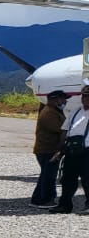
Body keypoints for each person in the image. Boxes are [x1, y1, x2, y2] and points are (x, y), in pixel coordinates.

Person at [54, 85, 89, 213]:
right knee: (67, 180)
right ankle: (64, 205)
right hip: (71, 151)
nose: (86, 98)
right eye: (84, 95)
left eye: (88, 96)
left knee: (87, 180)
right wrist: (60, 149)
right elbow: (65, 130)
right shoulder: (75, 112)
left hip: (87, 152)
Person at [32, 90, 67, 207]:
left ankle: (36, 199)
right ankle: (46, 199)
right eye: (63, 99)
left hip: (47, 149)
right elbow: (61, 129)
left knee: (45, 175)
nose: (65, 101)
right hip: (48, 150)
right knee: (49, 176)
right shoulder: (49, 113)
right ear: (55, 99)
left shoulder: (53, 111)